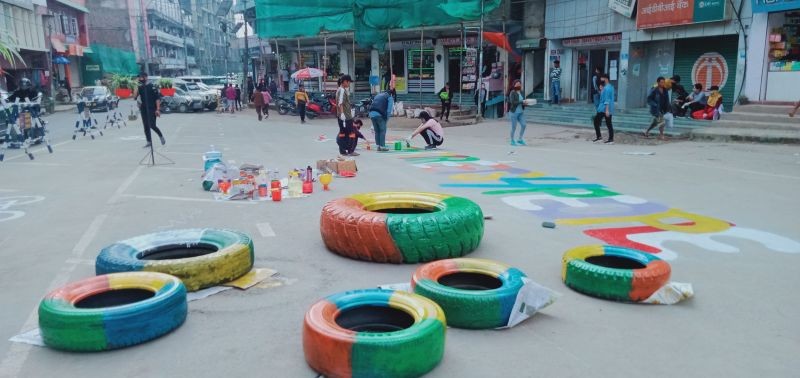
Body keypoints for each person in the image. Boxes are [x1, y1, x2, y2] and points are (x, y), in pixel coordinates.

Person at [133, 72, 165, 148]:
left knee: (152, 125)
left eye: (141, 77)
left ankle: (161, 136)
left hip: (152, 109)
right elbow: (134, 97)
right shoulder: (140, 87)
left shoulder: (152, 86)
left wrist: (158, 109)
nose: (140, 79)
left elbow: (157, 99)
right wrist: (135, 86)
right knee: (146, 126)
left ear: (146, 77)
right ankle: (149, 141)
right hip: (143, 108)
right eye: (139, 78)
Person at [336, 75, 357, 156]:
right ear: (345, 81)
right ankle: (351, 150)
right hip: (345, 117)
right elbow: (340, 103)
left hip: (342, 116)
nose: (349, 84)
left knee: (343, 133)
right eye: (348, 82)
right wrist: (342, 114)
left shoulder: (340, 90)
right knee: (351, 133)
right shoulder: (341, 90)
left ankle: (342, 151)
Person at [592, 74, 614, 144]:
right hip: (608, 108)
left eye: (602, 78)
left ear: (606, 79)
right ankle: (610, 139)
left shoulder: (607, 88)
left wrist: (606, 110)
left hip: (603, 108)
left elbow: (607, 99)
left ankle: (599, 137)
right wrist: (601, 90)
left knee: (596, 121)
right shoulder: (610, 87)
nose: (601, 80)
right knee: (608, 123)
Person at [507, 80, 526, 146]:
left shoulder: (521, 92)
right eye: (517, 84)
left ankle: (520, 139)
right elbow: (512, 102)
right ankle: (512, 140)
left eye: (519, 84)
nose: (518, 85)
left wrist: (526, 103)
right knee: (514, 127)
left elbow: (523, 101)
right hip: (514, 112)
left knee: (524, 125)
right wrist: (522, 102)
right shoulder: (512, 92)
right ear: (514, 85)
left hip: (521, 112)